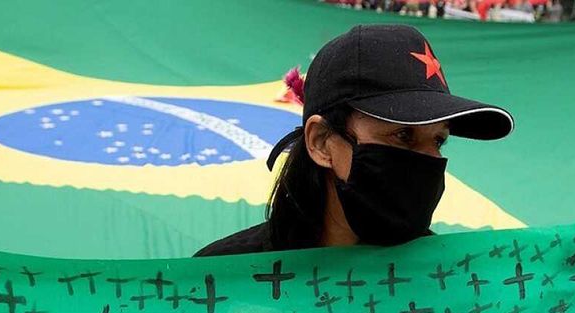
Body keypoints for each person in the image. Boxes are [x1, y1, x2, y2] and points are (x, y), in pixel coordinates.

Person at [195, 24, 513, 257]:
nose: (430, 160)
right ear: (321, 143)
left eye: (439, 141)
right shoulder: (222, 279)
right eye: (404, 134)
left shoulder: (451, 284)